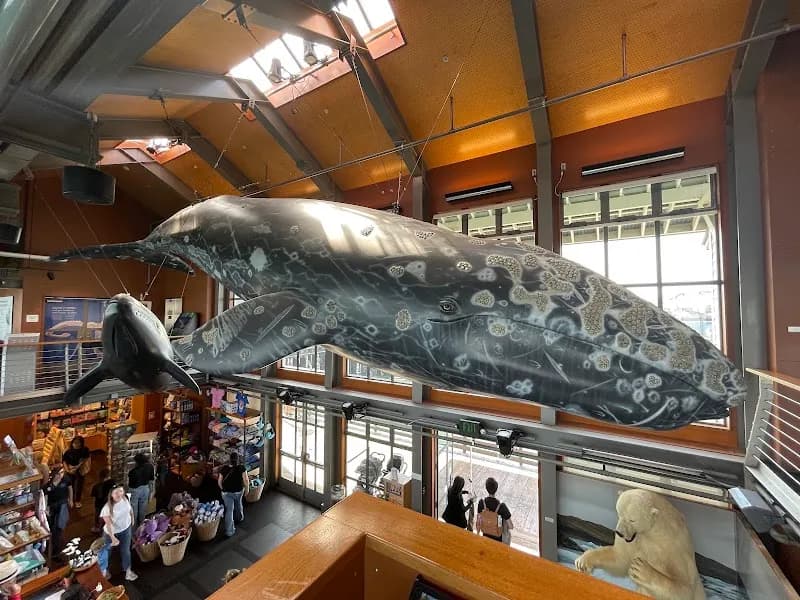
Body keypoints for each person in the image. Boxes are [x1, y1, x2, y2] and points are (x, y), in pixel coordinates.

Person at [98, 484, 138, 582]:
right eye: (116, 492)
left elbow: (130, 509)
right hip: (111, 533)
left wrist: (132, 518)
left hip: (126, 529)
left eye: (120, 491)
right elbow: (108, 524)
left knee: (126, 551)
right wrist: (112, 537)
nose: (119, 494)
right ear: (111, 495)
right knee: (107, 551)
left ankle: (128, 571)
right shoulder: (107, 508)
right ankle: (104, 571)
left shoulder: (125, 498)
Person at [43, 466, 73, 555]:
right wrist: (45, 508)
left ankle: (57, 546)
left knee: (60, 524)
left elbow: (70, 488)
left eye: (62, 472)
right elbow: (45, 496)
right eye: (58, 473)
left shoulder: (66, 479)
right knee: (52, 526)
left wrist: (71, 499)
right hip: (52, 506)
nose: (61, 475)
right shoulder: (48, 484)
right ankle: (52, 542)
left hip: (63, 505)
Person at [218, 452, 248, 537]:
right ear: (238, 460)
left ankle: (229, 531)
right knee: (238, 504)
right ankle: (239, 518)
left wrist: (222, 489)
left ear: (229, 460)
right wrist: (247, 489)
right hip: (238, 491)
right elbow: (246, 480)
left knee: (229, 510)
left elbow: (219, 482)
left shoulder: (224, 469)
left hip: (227, 493)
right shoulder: (242, 468)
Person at [476, 477, 513, 543]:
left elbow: (478, 522)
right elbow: (511, 526)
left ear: (486, 488)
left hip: (485, 538)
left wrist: (478, 534)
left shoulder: (481, 503)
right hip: (498, 541)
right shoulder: (502, 506)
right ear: (496, 489)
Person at [62, 436, 90, 508]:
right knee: (71, 485)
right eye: (75, 443)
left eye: (78, 443)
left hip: (80, 470)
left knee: (79, 485)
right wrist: (68, 470)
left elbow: (84, 459)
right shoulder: (68, 451)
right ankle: (71, 499)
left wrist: (76, 467)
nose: (76, 445)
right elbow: (64, 460)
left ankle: (77, 500)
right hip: (70, 469)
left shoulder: (84, 450)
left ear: (81, 444)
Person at [128, 453, 154, 527]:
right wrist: (151, 492)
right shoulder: (150, 466)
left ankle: (133, 528)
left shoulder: (133, 472)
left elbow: (131, 485)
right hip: (146, 488)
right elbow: (151, 480)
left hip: (135, 490)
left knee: (134, 510)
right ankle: (141, 526)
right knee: (143, 509)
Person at [90, 468, 114, 533]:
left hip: (99, 504)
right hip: (109, 504)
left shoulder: (97, 486)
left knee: (98, 516)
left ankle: (97, 527)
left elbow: (94, 495)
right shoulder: (113, 483)